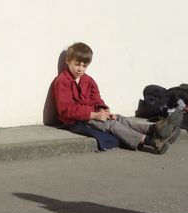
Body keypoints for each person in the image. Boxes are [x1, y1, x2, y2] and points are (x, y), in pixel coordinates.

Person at [53, 42, 181, 154]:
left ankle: (154, 128)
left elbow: (96, 99)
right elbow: (66, 109)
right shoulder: (62, 81)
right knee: (111, 124)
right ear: (68, 61)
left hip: (93, 114)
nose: (80, 69)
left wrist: (104, 110)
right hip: (75, 120)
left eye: (84, 66)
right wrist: (93, 115)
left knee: (118, 118)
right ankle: (151, 141)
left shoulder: (89, 80)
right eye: (77, 64)